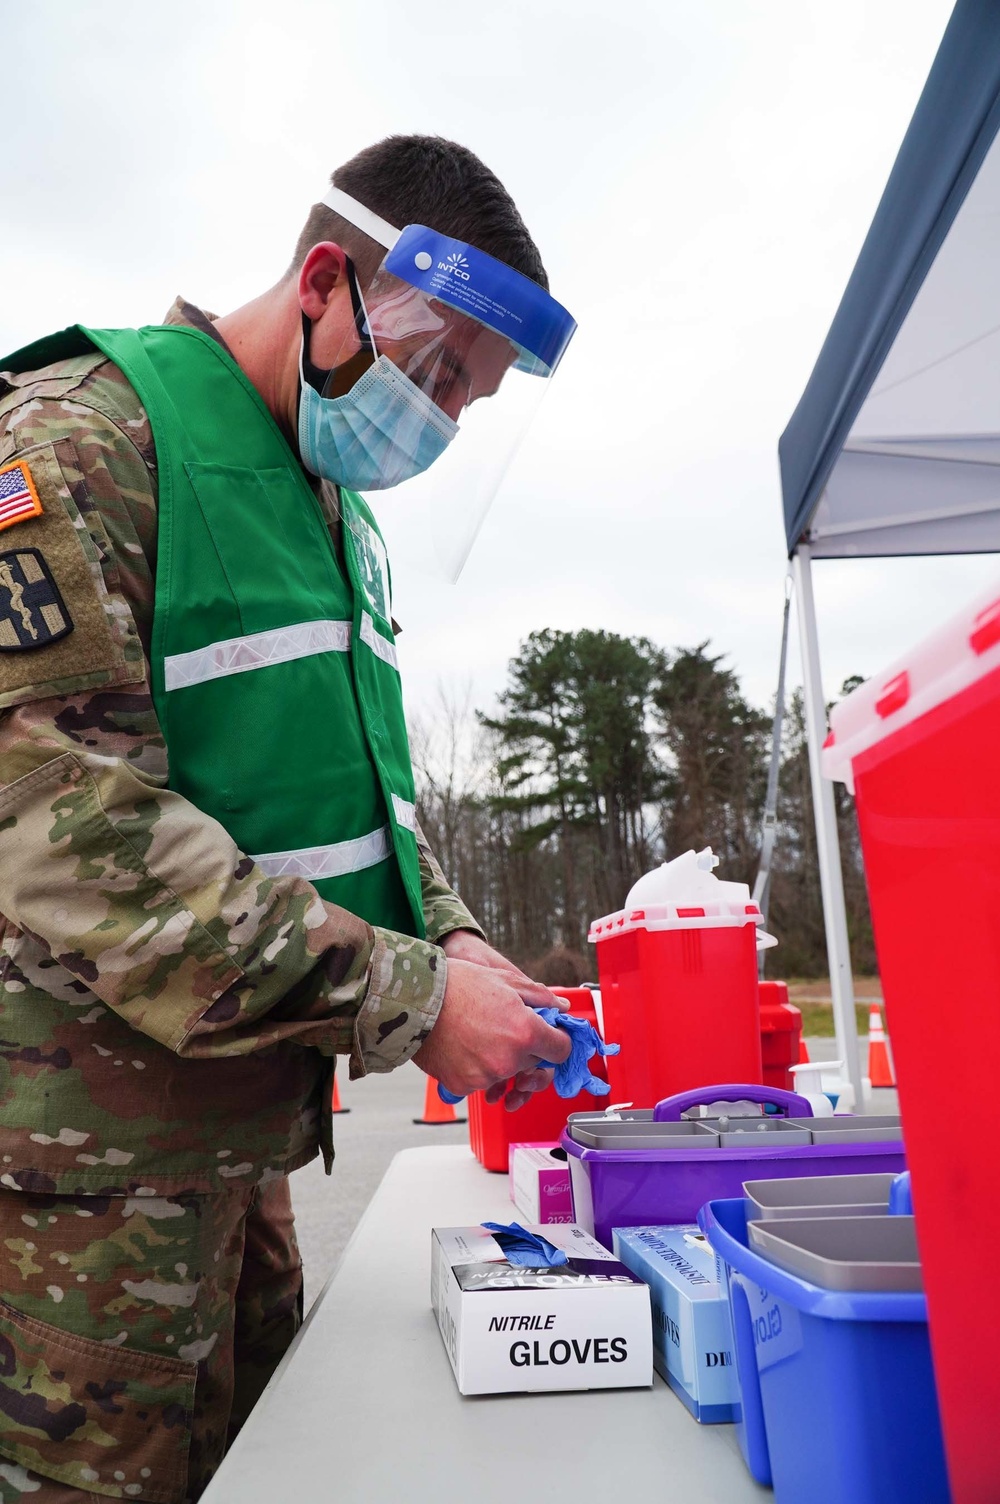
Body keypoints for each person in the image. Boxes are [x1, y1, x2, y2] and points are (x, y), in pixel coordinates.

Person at [0, 134, 577, 1502]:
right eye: (433, 372)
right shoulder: (77, 441)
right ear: (327, 280)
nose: (433, 420)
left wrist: (456, 941)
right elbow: (68, 830)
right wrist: (409, 996)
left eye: (467, 402)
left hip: (232, 1150)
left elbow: (352, 788)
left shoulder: (323, 504)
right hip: (80, 1188)